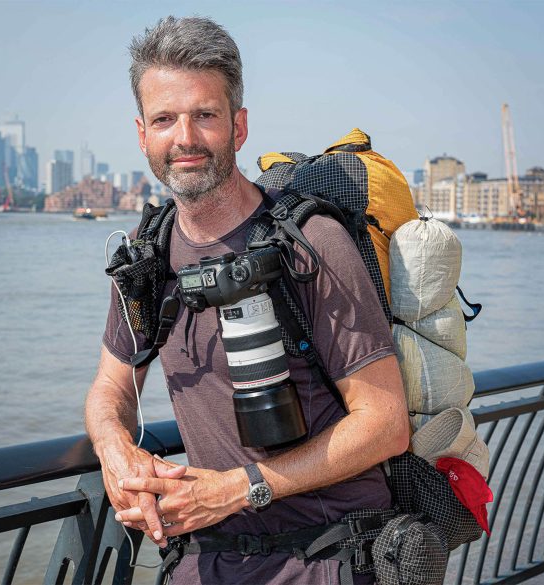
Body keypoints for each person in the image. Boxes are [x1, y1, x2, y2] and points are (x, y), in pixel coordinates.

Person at [84, 16, 410, 584]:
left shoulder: (309, 243)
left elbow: (385, 423)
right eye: (165, 119)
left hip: (323, 558)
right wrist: (115, 451)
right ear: (142, 135)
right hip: (206, 558)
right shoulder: (147, 255)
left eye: (204, 115)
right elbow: (112, 390)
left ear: (239, 126)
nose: (184, 138)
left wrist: (240, 488)